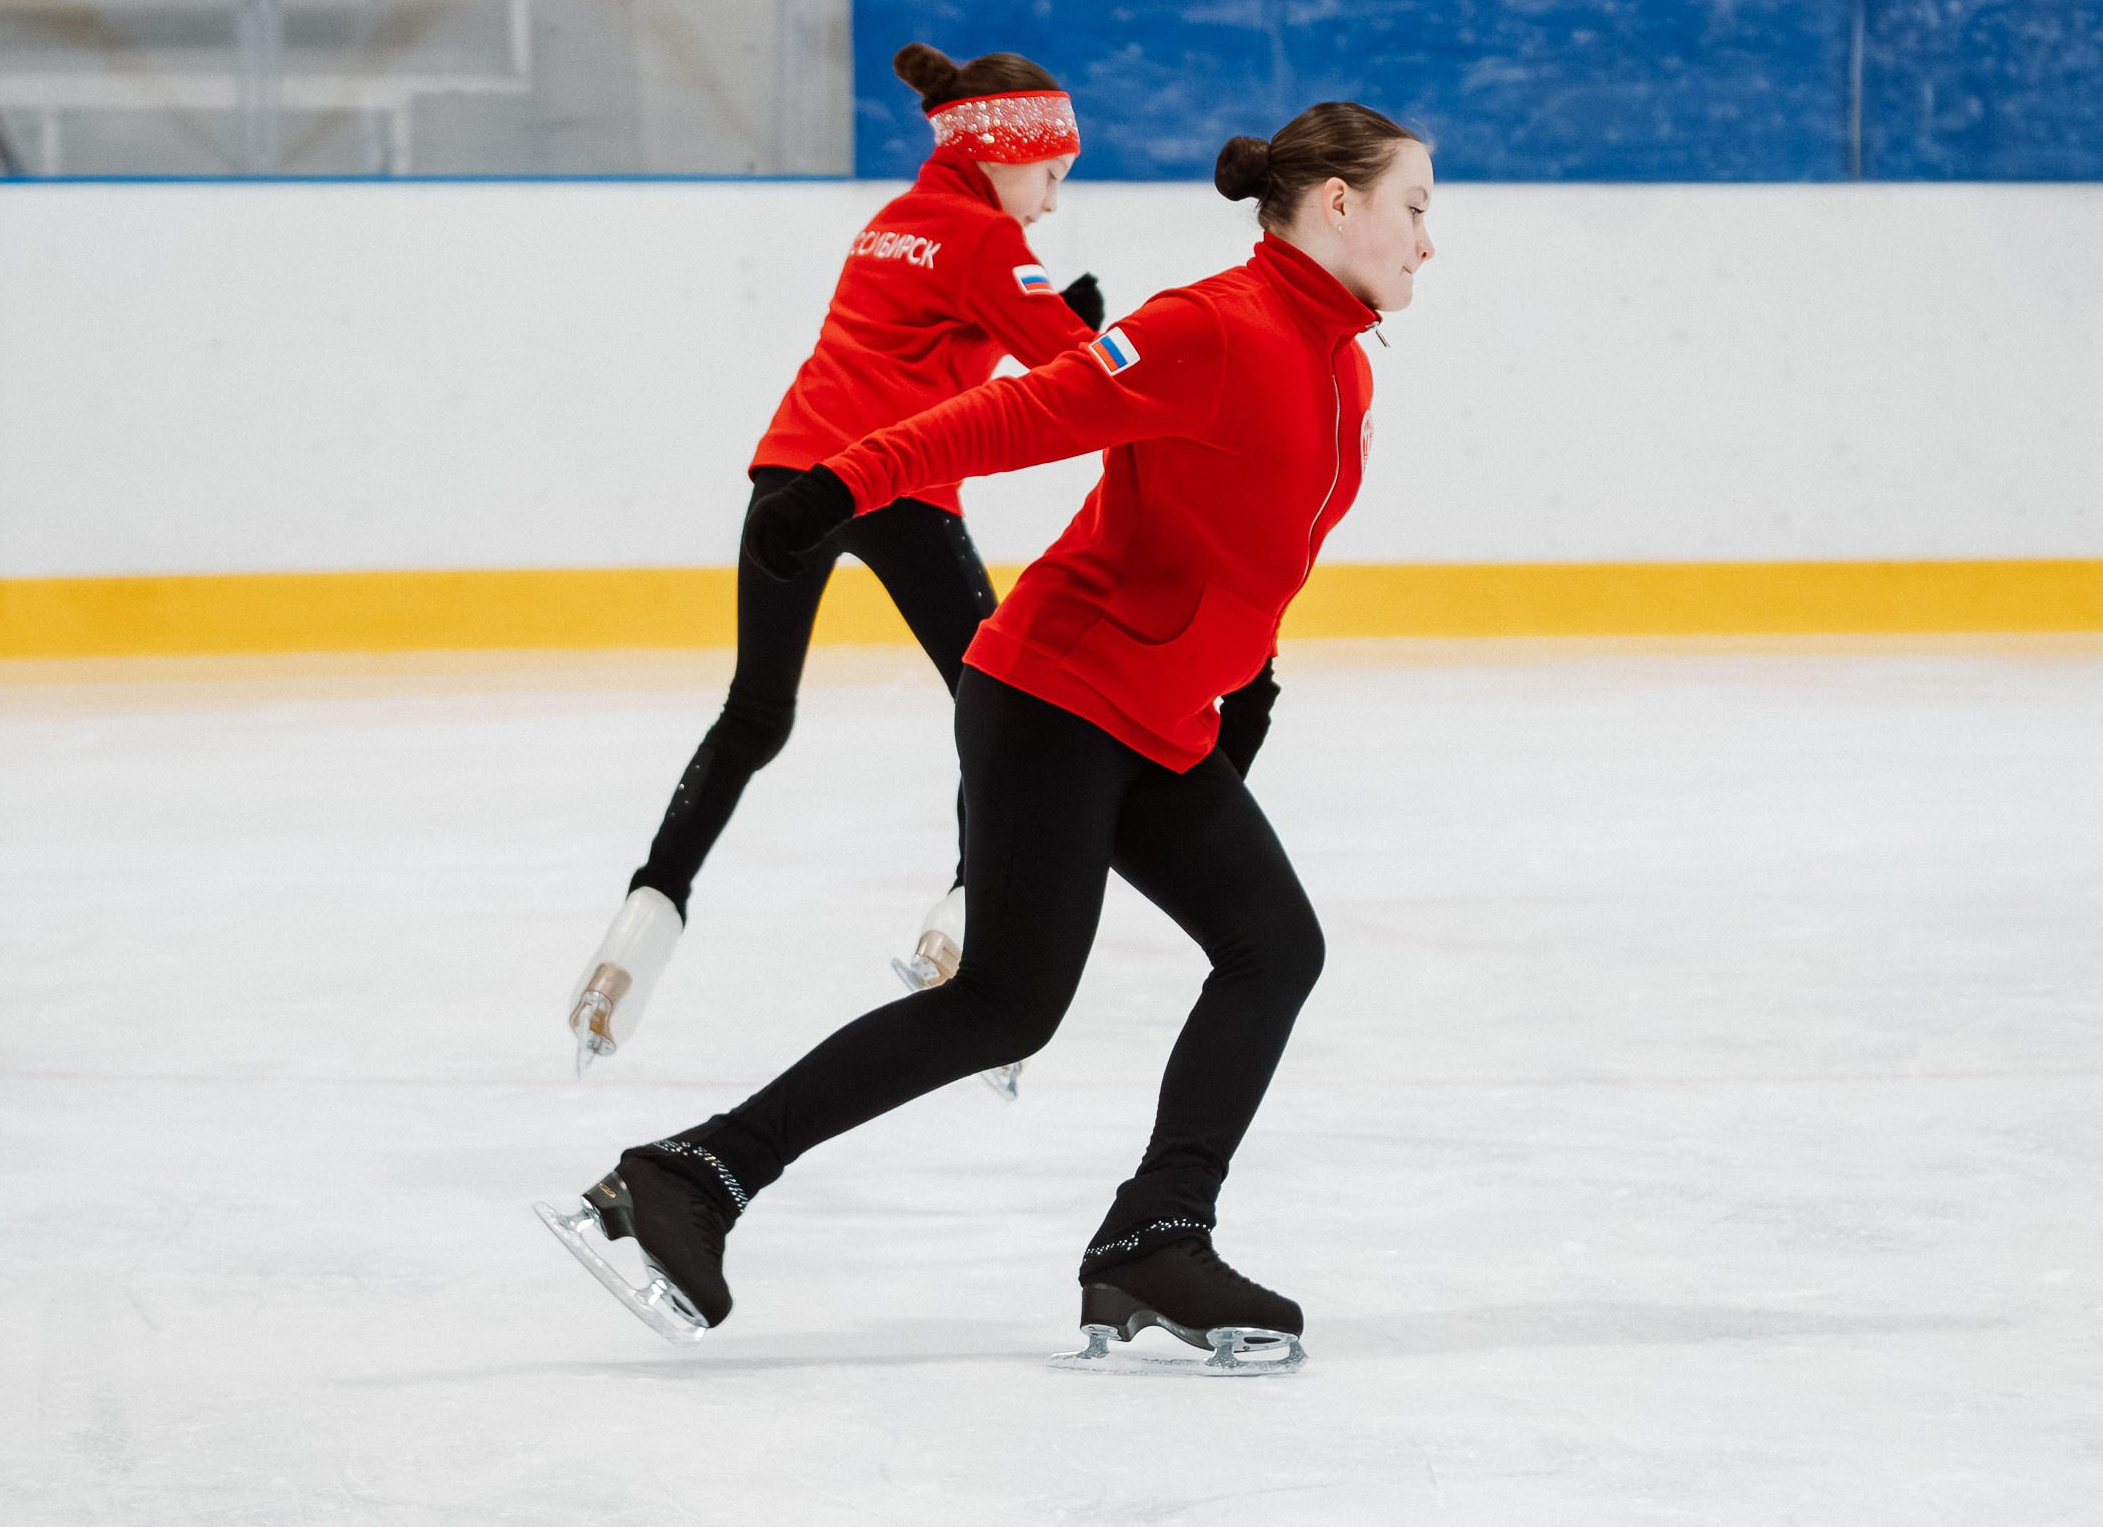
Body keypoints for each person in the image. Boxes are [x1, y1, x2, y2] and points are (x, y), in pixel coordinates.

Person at [539, 101, 1437, 1375]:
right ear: (1337, 202)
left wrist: (1251, 673)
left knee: (1272, 944)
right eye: (1414, 206)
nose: (1426, 240)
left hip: (1156, 714)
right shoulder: (1208, 325)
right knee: (1007, 1002)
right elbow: (1020, 415)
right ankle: (688, 1176)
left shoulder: (1338, 360)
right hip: (1058, 694)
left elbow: (1248, 528)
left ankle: (1156, 1232)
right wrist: (845, 482)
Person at [563, 43, 1108, 1093]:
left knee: (754, 715)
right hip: (893, 487)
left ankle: (646, 913)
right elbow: (1073, 378)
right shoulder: (987, 240)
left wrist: (1049, 324)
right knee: (1002, 711)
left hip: (788, 479)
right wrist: (1092, 335)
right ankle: (968, 917)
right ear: (1005, 152)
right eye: (1051, 172)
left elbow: (918, 348)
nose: (1051, 200)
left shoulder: (891, 225)